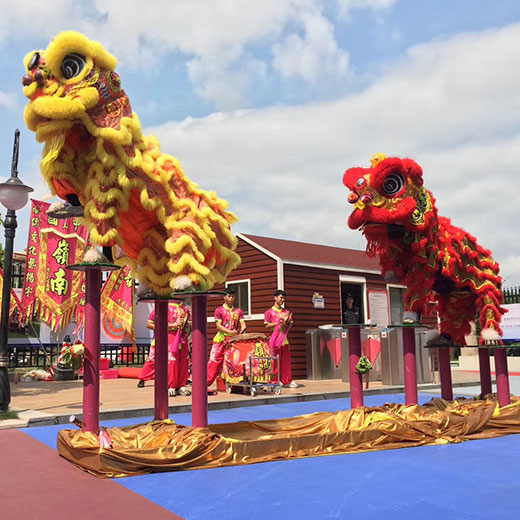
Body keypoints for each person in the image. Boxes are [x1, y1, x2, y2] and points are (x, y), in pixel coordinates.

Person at [137, 301, 191, 396]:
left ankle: (181, 385)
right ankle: (167, 384)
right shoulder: (162, 306)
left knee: (183, 361)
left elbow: (188, 325)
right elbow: (149, 324)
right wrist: (173, 325)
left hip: (182, 338)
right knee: (161, 360)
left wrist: (185, 324)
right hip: (166, 336)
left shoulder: (185, 308)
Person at [207, 287, 246, 388]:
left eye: (233, 296)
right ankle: (204, 384)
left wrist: (241, 331)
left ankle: (232, 385)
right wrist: (230, 332)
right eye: (229, 296)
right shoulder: (219, 310)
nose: (231, 298)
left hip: (233, 340)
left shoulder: (238, 311)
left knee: (233, 363)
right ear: (224, 297)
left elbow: (243, 324)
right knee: (214, 362)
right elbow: (218, 326)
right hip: (221, 339)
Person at [264, 289, 298, 388]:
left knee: (286, 361)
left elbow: (289, 326)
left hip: (284, 339)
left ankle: (286, 380)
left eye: (284, 298)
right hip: (274, 339)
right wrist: (278, 322)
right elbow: (267, 325)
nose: (282, 300)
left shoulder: (286, 312)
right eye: (281, 297)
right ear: (275, 298)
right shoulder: (269, 312)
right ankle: (274, 380)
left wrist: (288, 323)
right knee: (274, 361)